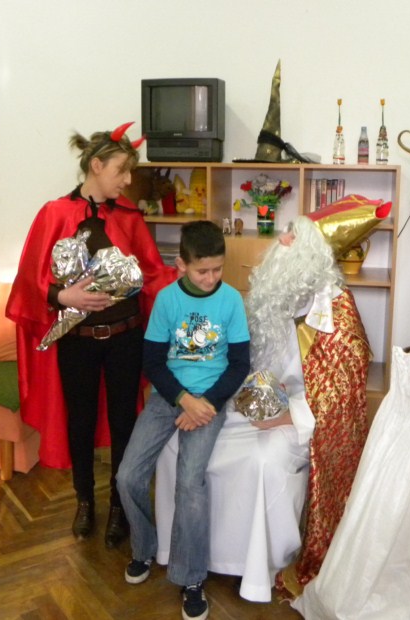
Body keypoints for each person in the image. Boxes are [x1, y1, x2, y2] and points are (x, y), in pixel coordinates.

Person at [155, 202, 384, 603]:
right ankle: (190, 551)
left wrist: (282, 418)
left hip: (301, 420)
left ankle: (255, 566)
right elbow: (244, 362)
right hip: (255, 401)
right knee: (174, 444)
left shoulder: (338, 313)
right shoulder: (274, 298)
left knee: (261, 461)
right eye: (287, 231)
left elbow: (340, 399)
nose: (283, 240)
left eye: (294, 237)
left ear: (312, 256)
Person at [5, 122, 176, 548]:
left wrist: (190, 284)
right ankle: (85, 501)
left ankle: (120, 505)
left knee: (124, 423)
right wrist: (63, 294)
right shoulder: (54, 214)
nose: (128, 180)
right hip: (78, 342)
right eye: (121, 170)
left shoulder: (129, 217)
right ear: (96, 166)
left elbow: (152, 275)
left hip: (126, 339)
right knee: (79, 422)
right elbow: (29, 281)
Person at [116, 220, 250, 620]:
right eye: (202, 270)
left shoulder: (231, 301)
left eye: (217, 269)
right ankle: (144, 548)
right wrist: (182, 400)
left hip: (210, 400)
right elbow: (153, 362)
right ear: (181, 265)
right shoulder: (166, 301)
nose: (211, 279)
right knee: (127, 476)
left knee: (190, 482)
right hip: (168, 398)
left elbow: (239, 364)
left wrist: (205, 403)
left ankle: (191, 578)